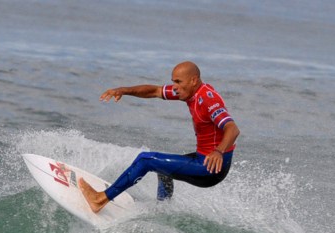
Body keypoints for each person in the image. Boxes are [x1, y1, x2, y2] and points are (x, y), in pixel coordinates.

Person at [78, 61, 240, 213]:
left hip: (211, 168)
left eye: (178, 82)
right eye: (173, 82)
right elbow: (155, 91)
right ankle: (163, 209)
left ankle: (100, 199)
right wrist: (123, 90)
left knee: (145, 160)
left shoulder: (208, 100)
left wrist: (218, 151)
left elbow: (232, 129)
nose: (175, 87)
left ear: (193, 80)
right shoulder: (190, 91)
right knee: (163, 170)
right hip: (203, 159)